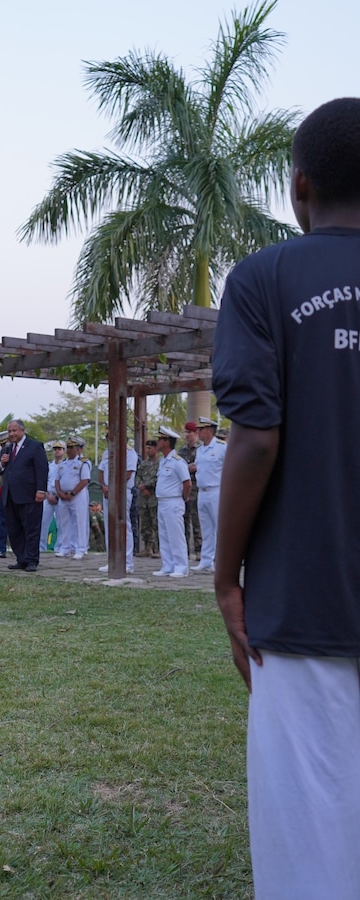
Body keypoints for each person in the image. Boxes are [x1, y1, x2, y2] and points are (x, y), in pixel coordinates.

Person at [213, 97, 360, 900]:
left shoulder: (264, 277)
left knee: (309, 846)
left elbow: (256, 438)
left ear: (297, 186)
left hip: (298, 605)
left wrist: (225, 576)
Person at [0, 419, 48, 571]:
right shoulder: (7, 449)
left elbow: (42, 470)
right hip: (10, 495)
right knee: (14, 529)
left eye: (14, 431)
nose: (11, 434)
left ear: (22, 431)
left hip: (29, 495)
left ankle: (32, 560)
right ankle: (21, 559)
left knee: (31, 528)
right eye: (10, 431)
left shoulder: (34, 446)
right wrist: (2, 464)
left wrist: (41, 490)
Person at [97, 432, 138, 573]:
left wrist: (113, 488)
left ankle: (127, 563)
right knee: (110, 526)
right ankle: (111, 560)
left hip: (122, 491)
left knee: (123, 526)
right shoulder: (107, 452)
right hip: (108, 492)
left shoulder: (130, 452)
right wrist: (104, 486)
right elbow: (101, 471)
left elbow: (127, 474)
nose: (109, 440)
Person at [153, 425, 191, 578]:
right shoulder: (163, 461)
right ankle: (168, 565)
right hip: (162, 502)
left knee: (176, 536)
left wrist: (183, 497)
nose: (158, 442)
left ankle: (181, 567)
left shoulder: (177, 461)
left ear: (167, 442)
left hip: (173, 501)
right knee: (164, 535)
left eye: (160, 439)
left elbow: (187, 483)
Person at [189, 417, 226, 574]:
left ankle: (223, 562)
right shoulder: (200, 450)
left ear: (210, 431)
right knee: (206, 528)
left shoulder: (222, 447)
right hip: (202, 491)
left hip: (217, 490)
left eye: (201, 430)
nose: (198, 432)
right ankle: (206, 560)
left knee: (220, 527)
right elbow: (199, 467)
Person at [54, 437, 91, 560]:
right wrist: (59, 492)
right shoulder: (62, 464)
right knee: (64, 522)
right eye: (68, 447)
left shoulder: (82, 463)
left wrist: (73, 493)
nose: (69, 450)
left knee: (80, 522)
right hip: (63, 496)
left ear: (77, 449)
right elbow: (57, 480)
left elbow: (85, 480)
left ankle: (80, 548)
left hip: (77, 495)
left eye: (72, 447)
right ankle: (65, 548)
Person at [179, 421, 202, 560]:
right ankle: (185, 550)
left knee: (197, 520)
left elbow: (200, 467)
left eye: (190, 432)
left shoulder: (201, 450)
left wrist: (190, 468)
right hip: (185, 489)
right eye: (186, 432)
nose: (187, 435)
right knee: (184, 520)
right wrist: (188, 468)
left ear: (196, 434)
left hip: (197, 489)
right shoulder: (181, 451)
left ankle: (199, 550)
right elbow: (180, 468)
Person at [39, 439, 66, 552]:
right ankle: (41, 546)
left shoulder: (65, 465)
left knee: (61, 523)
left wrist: (59, 494)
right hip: (48, 496)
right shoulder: (49, 466)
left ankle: (59, 547)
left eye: (59, 449)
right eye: (55, 449)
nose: (57, 451)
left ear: (64, 451)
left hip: (61, 496)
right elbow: (44, 480)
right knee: (43, 522)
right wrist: (47, 494)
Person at [135, 439, 160, 558]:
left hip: (154, 496)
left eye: (150, 448)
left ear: (156, 449)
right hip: (143, 498)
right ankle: (147, 547)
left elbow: (159, 478)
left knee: (157, 523)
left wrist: (147, 485)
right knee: (145, 524)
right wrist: (140, 486)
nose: (148, 450)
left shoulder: (161, 463)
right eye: (147, 448)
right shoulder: (144, 464)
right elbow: (137, 476)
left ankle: (159, 549)